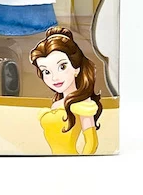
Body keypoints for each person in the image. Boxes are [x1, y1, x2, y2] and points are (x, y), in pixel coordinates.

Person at [30, 26, 101, 155]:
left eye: (62, 67)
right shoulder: (56, 104)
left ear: (76, 68)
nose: (54, 78)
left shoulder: (82, 104)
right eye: (46, 71)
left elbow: (91, 142)